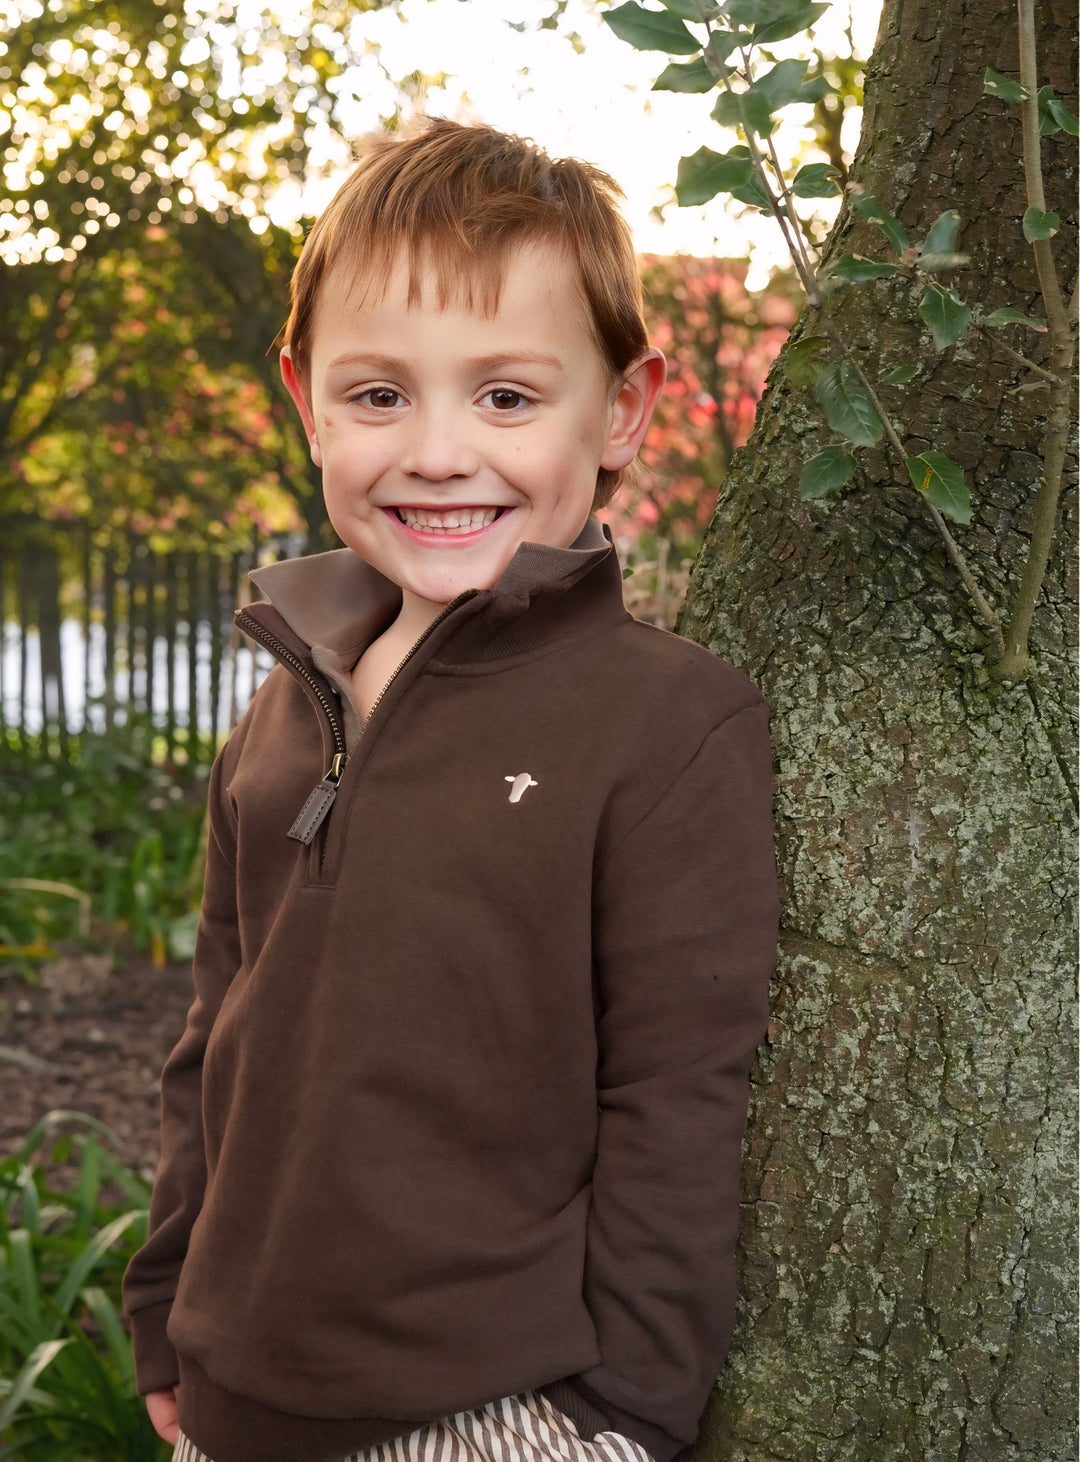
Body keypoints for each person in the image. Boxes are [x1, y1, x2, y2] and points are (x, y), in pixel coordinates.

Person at [122, 119, 779, 1462]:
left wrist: (621, 1415)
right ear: (308, 399)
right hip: (232, 1392)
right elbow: (218, 1031)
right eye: (379, 396)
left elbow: (676, 1101)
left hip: (494, 1414)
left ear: (625, 412)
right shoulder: (288, 690)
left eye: (506, 397)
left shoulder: (665, 724)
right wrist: (164, 1309)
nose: (434, 453)